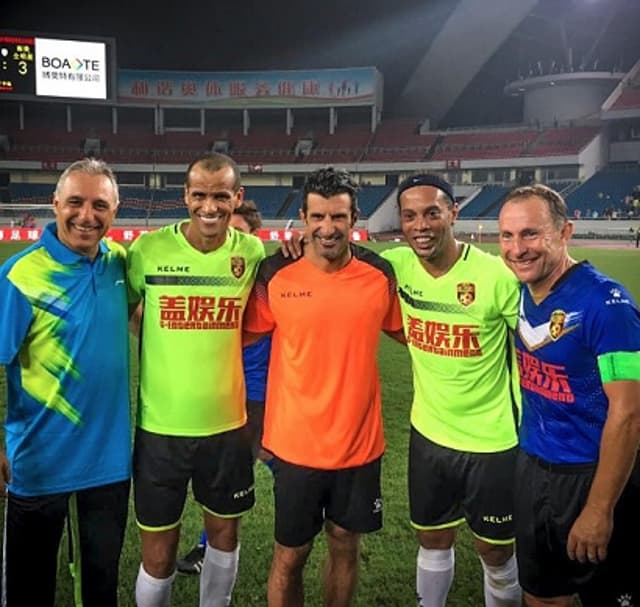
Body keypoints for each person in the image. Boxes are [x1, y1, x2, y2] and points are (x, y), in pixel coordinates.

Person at [244, 167, 403, 607]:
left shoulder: (380, 275)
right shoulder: (274, 273)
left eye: (338, 217)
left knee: (344, 543)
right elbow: (236, 335)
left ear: (355, 219)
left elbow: (414, 334)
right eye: (318, 217)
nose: (327, 229)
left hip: (359, 446)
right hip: (294, 448)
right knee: (289, 556)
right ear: (303, 216)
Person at [128, 152, 265, 607]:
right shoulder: (147, 250)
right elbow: (129, 309)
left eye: (221, 196)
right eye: (200, 195)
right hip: (161, 430)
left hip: (227, 428)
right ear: (185, 196)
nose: (210, 206)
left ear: (237, 198)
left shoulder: (250, 252)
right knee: (159, 553)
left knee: (224, 537)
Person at [380, 173, 522, 607]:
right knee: (432, 537)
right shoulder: (396, 266)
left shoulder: (496, 275)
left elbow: (538, 344)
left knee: (495, 550)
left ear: (453, 214)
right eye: (410, 216)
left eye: (432, 213)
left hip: (493, 439)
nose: (420, 225)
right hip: (429, 434)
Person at [498, 183, 640, 607]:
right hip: (534, 469)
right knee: (541, 594)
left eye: (531, 234)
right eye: (508, 235)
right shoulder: (524, 289)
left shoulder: (608, 305)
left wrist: (599, 509)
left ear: (564, 233)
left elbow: (630, 413)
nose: (517, 249)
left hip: (595, 475)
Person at [0, 158, 131, 607]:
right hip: (39, 462)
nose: (86, 216)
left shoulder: (120, 263)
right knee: (28, 590)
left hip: (109, 464)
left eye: (100, 205)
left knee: (101, 588)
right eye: (75, 202)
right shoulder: (20, 275)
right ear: (54, 204)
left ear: (115, 210)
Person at [176, 199, 273, 576]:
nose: (230, 241)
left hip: (258, 395)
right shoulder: (209, 280)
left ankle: (209, 547)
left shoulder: (267, 280)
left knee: (248, 469)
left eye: (240, 234)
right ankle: (210, 545)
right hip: (219, 393)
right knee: (230, 475)